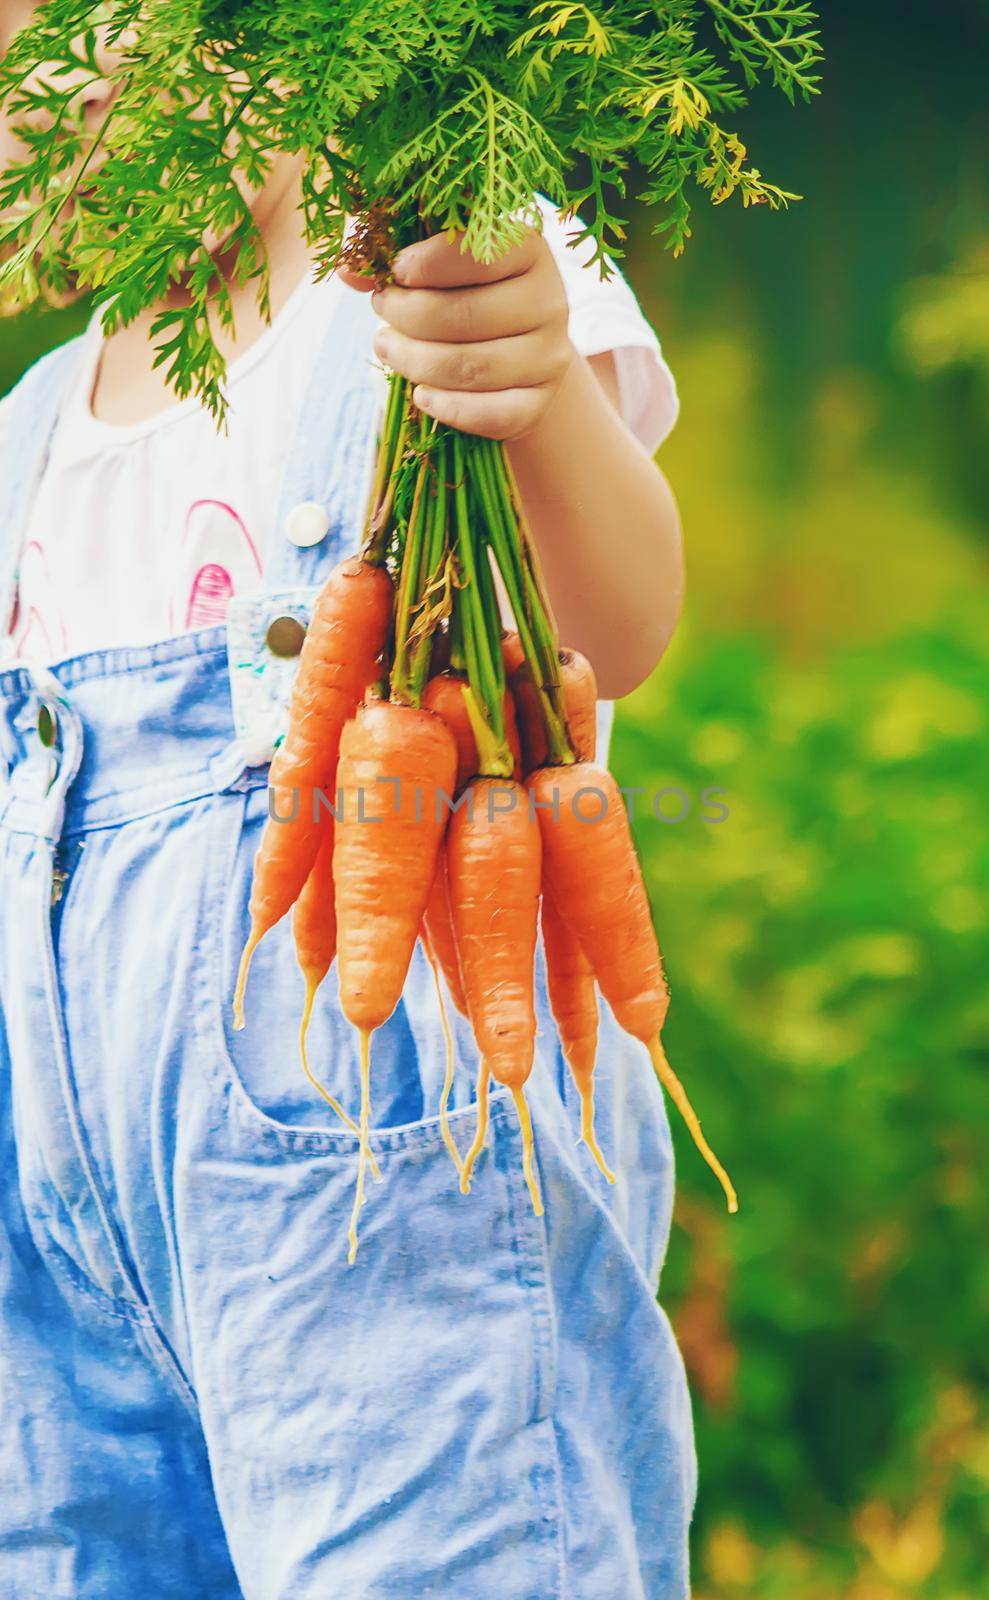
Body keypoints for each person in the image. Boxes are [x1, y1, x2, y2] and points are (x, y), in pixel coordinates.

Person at [0, 7, 694, 1597]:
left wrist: (530, 386)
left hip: (395, 1219)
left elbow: (615, 621)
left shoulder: (437, 275)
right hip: (53, 1274)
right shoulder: (27, 431)